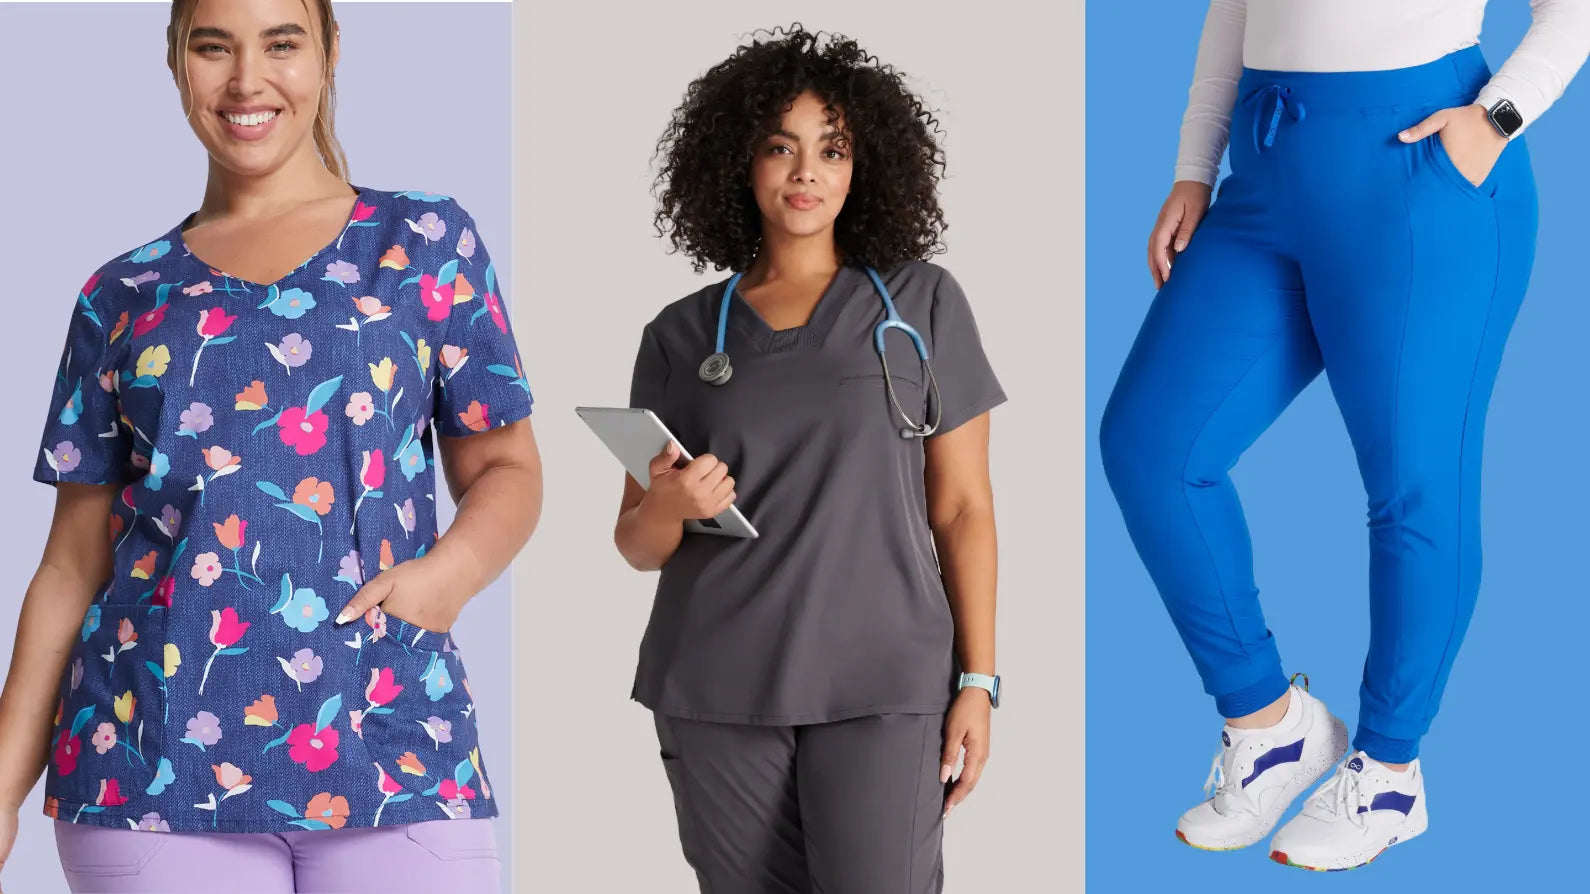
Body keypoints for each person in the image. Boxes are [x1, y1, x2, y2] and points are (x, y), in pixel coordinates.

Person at [0, 1, 541, 890]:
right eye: (214, 47)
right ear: (177, 61)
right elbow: (69, 566)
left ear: (329, 52)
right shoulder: (122, 293)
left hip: (397, 744)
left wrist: (448, 579)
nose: (247, 80)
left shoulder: (427, 241)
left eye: (281, 43)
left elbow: (508, 468)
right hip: (149, 766)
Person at [1100, 0, 1589, 873]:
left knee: (1413, 487)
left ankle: (1391, 774)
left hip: (1419, 170)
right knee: (1151, 446)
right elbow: (1233, 9)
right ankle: (1272, 728)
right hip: (1266, 171)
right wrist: (1191, 167)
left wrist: (1497, 120)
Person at [614, 26, 1006, 893]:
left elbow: (964, 509)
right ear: (737, 162)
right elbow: (636, 541)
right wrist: (670, 506)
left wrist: (978, 680)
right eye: (779, 148)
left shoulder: (920, 303)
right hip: (716, 682)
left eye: (831, 150)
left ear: (863, 165)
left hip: (886, 678)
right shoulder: (680, 336)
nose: (806, 173)